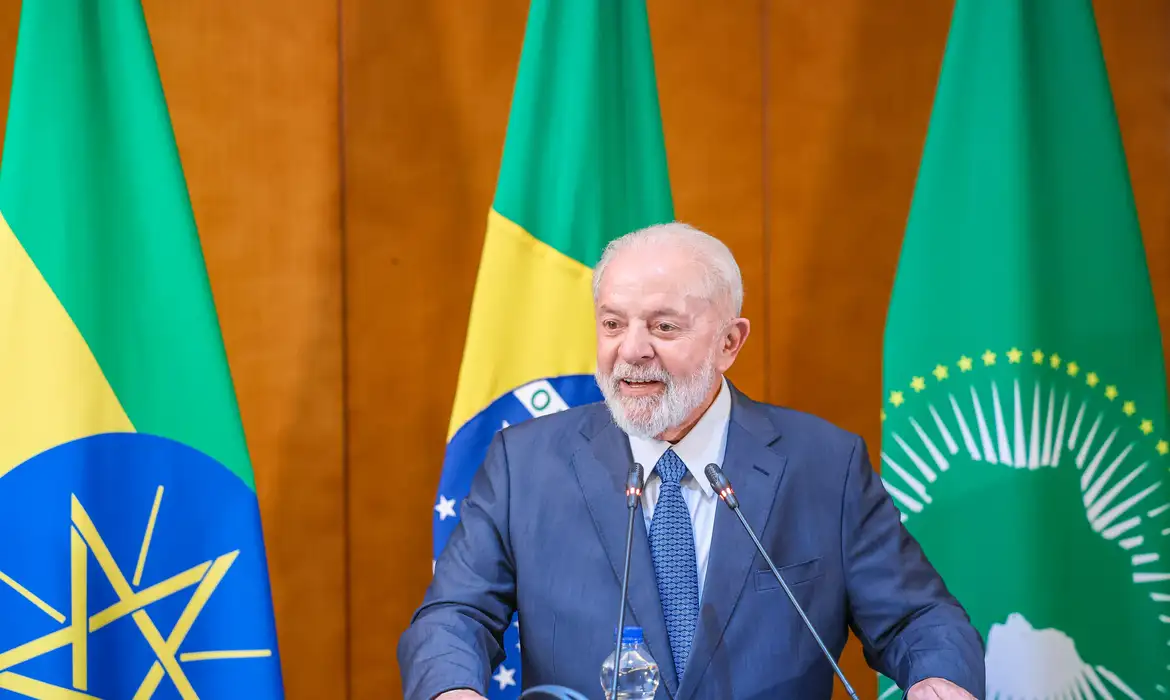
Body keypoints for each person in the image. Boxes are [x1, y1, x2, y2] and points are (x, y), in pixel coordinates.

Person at [399, 223, 985, 700]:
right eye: (613, 324)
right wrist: (452, 689)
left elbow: (917, 619)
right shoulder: (523, 465)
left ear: (730, 342)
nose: (632, 350)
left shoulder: (825, 466)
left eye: (663, 326)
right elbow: (453, 616)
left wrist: (939, 681)